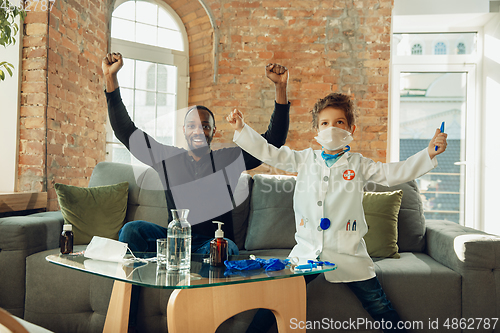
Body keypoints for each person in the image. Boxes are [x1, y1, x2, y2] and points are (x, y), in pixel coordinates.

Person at [227, 92, 447, 333]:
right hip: (307, 251)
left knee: (379, 305)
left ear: (351, 128)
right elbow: (271, 152)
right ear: (316, 130)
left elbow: (393, 173)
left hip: (349, 253)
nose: (331, 129)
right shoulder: (305, 160)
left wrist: (429, 154)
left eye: (339, 122)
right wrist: (242, 129)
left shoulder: (359, 164)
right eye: (325, 123)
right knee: (276, 299)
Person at [102, 52, 290, 330]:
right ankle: (129, 320)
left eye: (205, 125)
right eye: (192, 125)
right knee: (132, 231)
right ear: (184, 130)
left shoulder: (227, 159)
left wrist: (280, 88)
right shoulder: (169, 159)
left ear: (214, 132)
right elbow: (126, 131)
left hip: (210, 245)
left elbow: (271, 142)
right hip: (174, 242)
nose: (198, 131)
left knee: (227, 248)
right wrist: (110, 77)